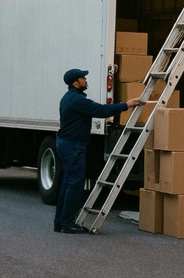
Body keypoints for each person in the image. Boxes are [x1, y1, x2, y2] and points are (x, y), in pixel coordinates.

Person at [53, 68, 142, 234]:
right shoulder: (76, 100)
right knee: (75, 184)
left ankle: (60, 222)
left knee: (68, 183)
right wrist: (127, 105)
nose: (85, 80)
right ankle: (67, 223)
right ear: (75, 82)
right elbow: (102, 111)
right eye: (82, 78)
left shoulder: (69, 98)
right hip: (72, 145)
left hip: (68, 143)